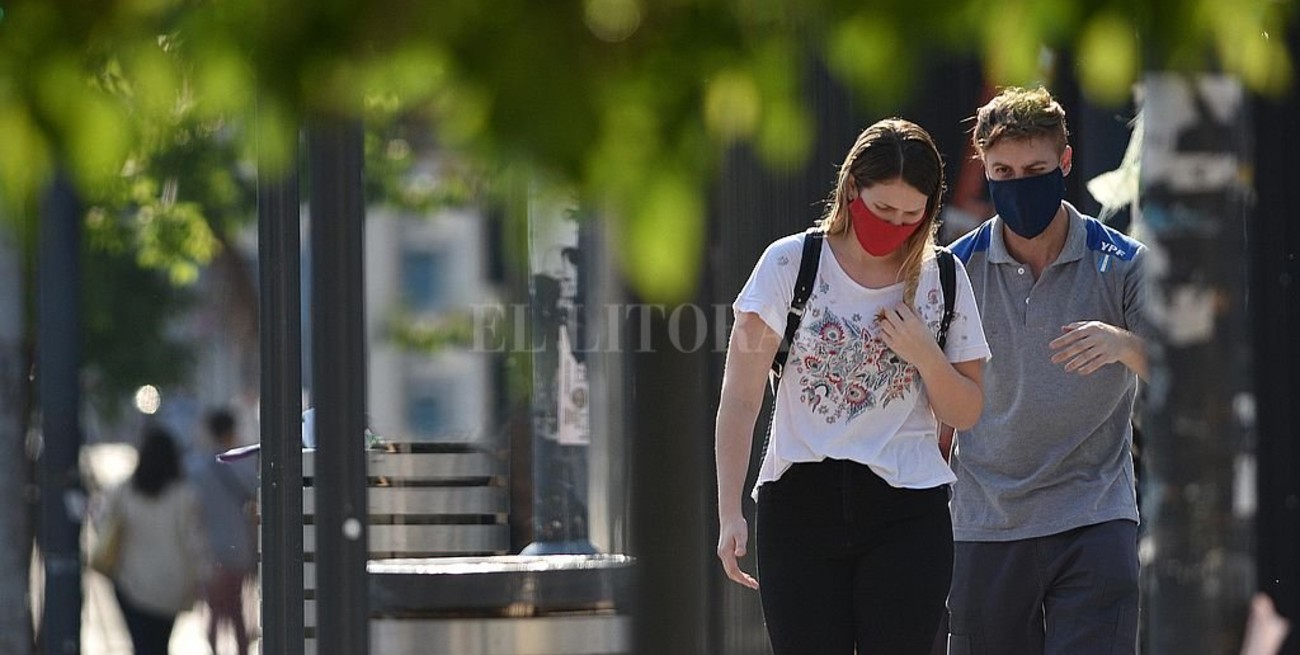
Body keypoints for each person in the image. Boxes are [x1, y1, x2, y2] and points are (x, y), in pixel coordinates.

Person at [715, 118, 991, 655]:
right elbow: (741, 397)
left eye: (912, 216)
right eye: (883, 209)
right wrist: (729, 512)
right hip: (799, 504)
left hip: (907, 508)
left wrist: (925, 355)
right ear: (851, 189)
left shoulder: (945, 277)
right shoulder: (790, 264)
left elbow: (968, 410)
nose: (896, 225)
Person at [945, 85, 1150, 654]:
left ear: (1065, 162)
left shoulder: (1123, 263)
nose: (1018, 183)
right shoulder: (954, 271)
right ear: (984, 169)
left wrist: (1121, 344)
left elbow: (1181, 368)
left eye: (1035, 168)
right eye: (1002, 171)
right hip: (986, 523)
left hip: (1094, 518)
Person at [100, 425, 210, 655]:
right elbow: (194, 541)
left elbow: (105, 525)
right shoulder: (184, 495)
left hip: (130, 582)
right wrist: (204, 576)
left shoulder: (125, 491)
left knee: (142, 645)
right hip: (172, 585)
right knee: (160, 644)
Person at [190, 407, 258, 655]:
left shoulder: (195, 469)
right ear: (231, 432)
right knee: (237, 612)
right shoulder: (240, 466)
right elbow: (255, 496)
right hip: (237, 547)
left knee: (215, 611)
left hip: (208, 551)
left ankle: (215, 651)